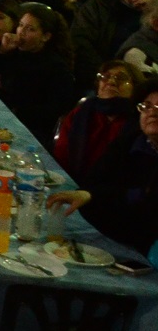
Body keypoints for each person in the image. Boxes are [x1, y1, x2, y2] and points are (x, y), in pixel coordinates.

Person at [46, 80, 158, 259]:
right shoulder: (131, 140)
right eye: (147, 106)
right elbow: (93, 183)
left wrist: (96, 197)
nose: (152, 112)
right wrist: (94, 196)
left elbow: (148, 208)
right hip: (115, 235)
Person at [71, 0, 154, 95]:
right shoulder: (97, 8)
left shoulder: (155, 15)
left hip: (146, 84)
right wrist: (108, 76)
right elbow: (81, 45)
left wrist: (152, 13)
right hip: (103, 78)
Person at [52, 61, 139, 186]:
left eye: (121, 78)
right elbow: (61, 153)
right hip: (68, 183)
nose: (111, 82)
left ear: (135, 87)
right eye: (105, 77)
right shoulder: (82, 112)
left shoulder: (137, 123)